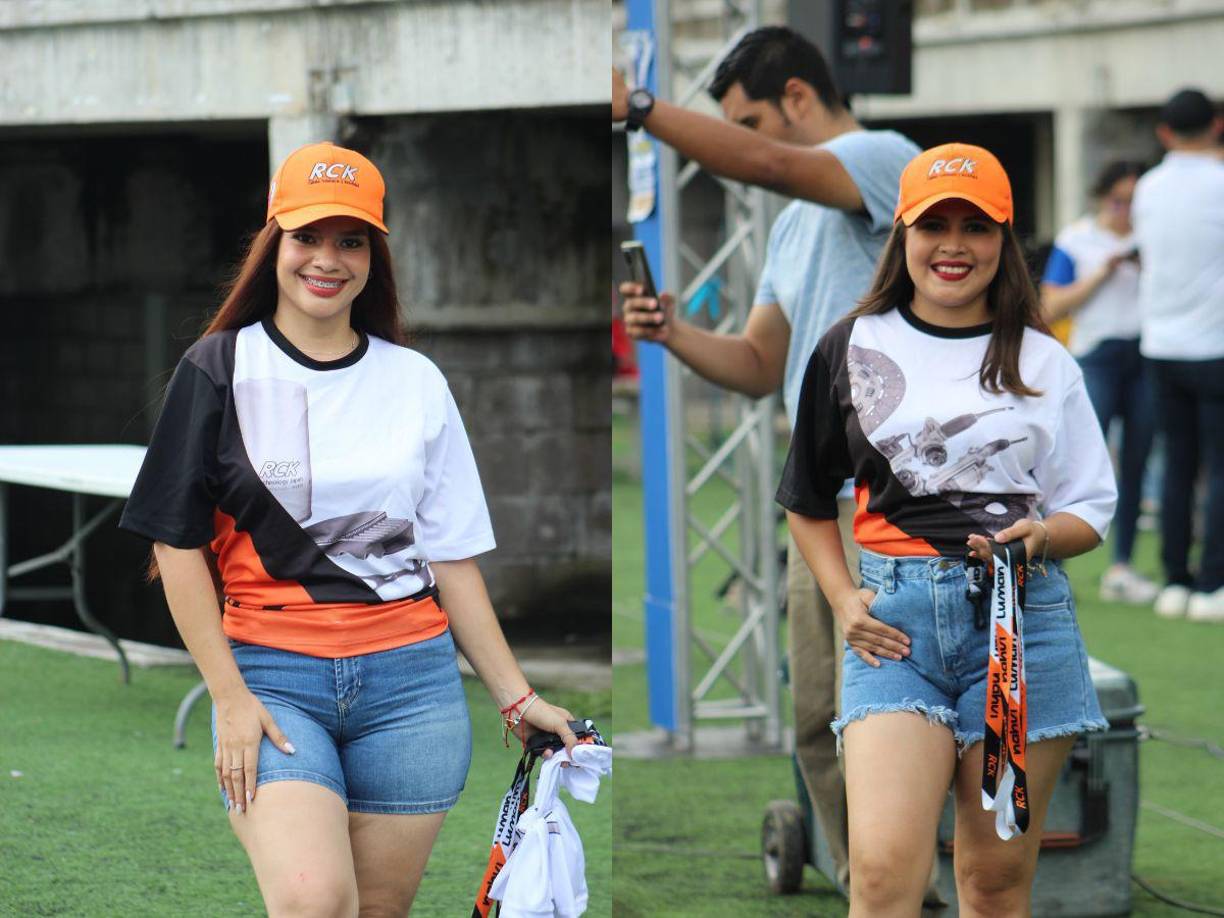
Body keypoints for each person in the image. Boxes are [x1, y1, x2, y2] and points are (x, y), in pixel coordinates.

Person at [118, 141, 577, 915]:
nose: (327, 259)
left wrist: (514, 696)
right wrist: (226, 695)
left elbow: (451, 559)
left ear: (373, 255)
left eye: (351, 240)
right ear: (275, 244)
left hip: (413, 693)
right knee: (314, 901)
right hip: (272, 681)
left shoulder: (415, 380)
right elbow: (175, 539)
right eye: (308, 237)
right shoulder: (219, 368)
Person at [614, 26, 919, 890]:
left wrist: (639, 106)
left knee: (897, 707)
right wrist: (671, 333)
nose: (740, 147)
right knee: (818, 716)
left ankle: (926, 880)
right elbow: (756, 367)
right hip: (818, 501)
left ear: (796, 98)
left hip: (898, 495)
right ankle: (881, 885)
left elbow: (772, 165)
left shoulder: (883, 156)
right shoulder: (791, 227)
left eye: (750, 122)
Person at [778, 143, 1116, 915]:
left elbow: (1089, 508)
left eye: (977, 226)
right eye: (934, 224)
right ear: (903, 234)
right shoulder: (849, 346)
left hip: (1023, 628)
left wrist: (1037, 539)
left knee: (994, 882)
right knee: (881, 874)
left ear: (1006, 240)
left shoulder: (1045, 360)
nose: (954, 245)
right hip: (893, 630)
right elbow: (805, 497)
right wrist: (842, 599)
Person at [1040, 161, 1157, 604]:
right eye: (1119, 200)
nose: (1126, 210)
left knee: (1137, 459)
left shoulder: (1152, 237)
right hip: (1097, 356)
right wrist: (1103, 273)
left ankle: (1123, 565)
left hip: (1147, 354)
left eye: (1134, 202)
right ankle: (1055, 557)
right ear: (1102, 197)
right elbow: (1052, 305)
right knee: (1077, 462)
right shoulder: (1076, 239)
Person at [1131, 87, 1224, 622]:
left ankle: (1174, 580)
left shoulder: (1147, 187)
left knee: (1177, 466)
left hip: (1161, 345)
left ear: (1165, 132)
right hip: (1214, 346)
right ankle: (1212, 584)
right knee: (1218, 469)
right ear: (1215, 125)